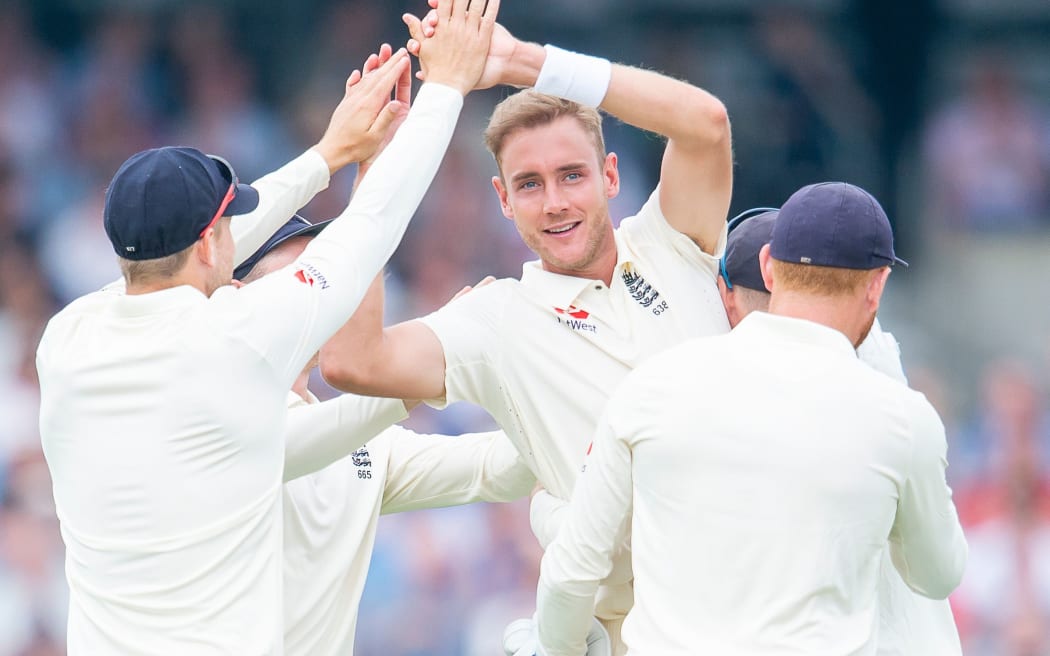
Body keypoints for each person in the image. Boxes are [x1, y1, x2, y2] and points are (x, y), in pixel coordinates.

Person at [35, 3, 500, 651]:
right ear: (209, 247)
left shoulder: (70, 338)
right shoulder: (235, 340)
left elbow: (177, 259)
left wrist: (330, 154)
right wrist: (446, 85)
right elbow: (370, 230)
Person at [320, 15, 732, 653]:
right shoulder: (497, 321)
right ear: (503, 199)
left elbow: (705, 124)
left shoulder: (670, 244)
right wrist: (374, 170)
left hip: (760, 604)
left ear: (611, 177)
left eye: (573, 175)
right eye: (530, 185)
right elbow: (352, 361)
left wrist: (517, 61)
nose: (556, 203)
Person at [532, 182, 968, 655]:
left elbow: (571, 572)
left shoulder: (652, 387)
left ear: (767, 267)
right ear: (878, 284)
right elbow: (936, 575)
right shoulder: (903, 417)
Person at [228, 214, 535, 655]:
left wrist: (567, 397)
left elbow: (499, 468)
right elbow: (296, 440)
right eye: (300, 276)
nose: (320, 293)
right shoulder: (214, 420)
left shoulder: (361, 445)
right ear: (239, 298)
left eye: (325, 276)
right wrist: (437, 349)